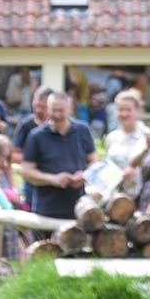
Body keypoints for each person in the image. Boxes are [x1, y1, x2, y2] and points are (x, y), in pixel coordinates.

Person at [21, 91, 98, 219]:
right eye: (53, 110)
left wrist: (85, 175)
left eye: (61, 110)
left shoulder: (83, 130)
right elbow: (26, 171)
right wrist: (53, 179)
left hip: (78, 206)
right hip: (46, 208)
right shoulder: (36, 136)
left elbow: (94, 161)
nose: (56, 115)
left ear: (70, 110)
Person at [105, 90, 150, 198]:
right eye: (120, 110)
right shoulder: (112, 137)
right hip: (114, 195)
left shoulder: (147, 135)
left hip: (141, 195)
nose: (124, 114)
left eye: (128, 110)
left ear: (137, 110)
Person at [13, 87, 53, 207]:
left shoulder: (59, 126)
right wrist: (33, 162)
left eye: (43, 107)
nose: (39, 110)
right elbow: (14, 154)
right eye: (37, 106)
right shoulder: (26, 125)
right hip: (32, 181)